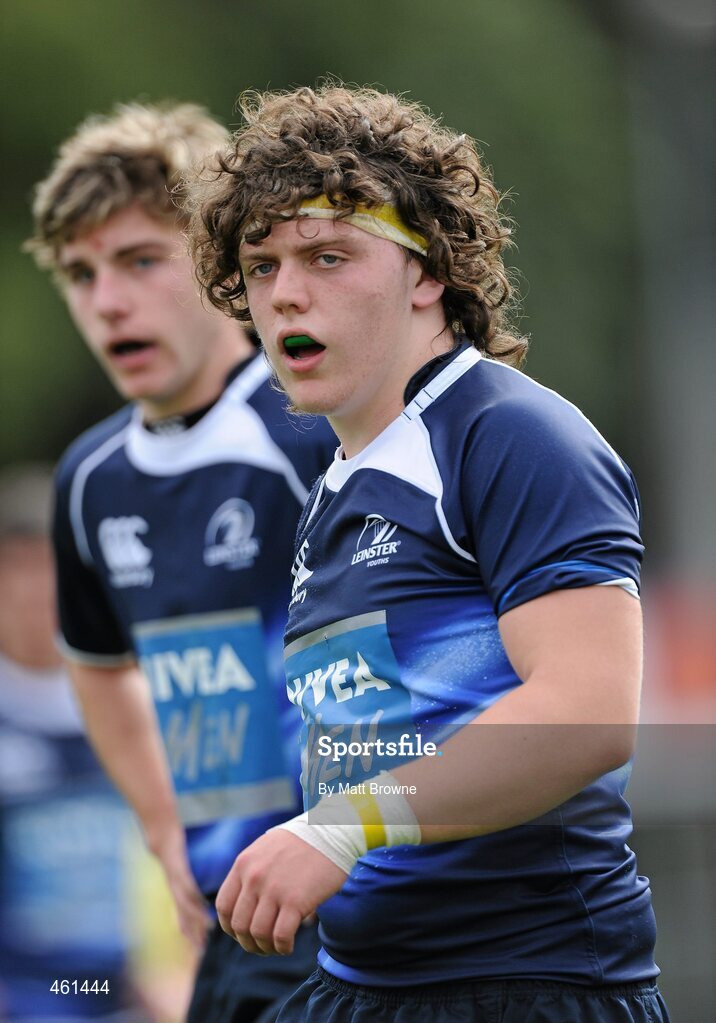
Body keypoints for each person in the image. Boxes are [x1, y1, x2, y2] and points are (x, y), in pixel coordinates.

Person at [186, 84, 672, 1022]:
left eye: (328, 256)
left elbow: (586, 714)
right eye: (260, 265)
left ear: (427, 270)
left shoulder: (508, 434)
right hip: (367, 986)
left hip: (522, 986)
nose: (285, 290)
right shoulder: (336, 482)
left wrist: (337, 828)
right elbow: (388, 741)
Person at [27, 102, 335, 1023]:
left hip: (365, 895)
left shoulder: (312, 431)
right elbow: (96, 666)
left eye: (139, 261)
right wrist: (166, 829)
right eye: (80, 275)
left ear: (216, 264)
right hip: (233, 911)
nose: (106, 302)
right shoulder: (92, 480)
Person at [0, 465, 146, 1022]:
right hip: (29, 990)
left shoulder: (136, 697)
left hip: (135, 985)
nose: (37, 591)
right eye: (21, 569)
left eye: (51, 567)